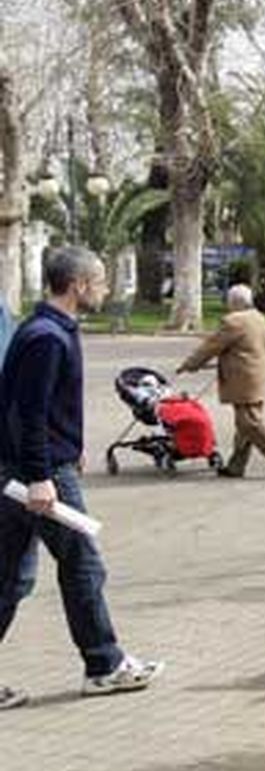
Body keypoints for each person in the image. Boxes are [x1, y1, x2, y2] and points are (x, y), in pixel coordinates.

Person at [0, 246, 165, 708]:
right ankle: (104, 665)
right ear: (78, 286)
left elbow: (40, 409)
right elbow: (26, 412)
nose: (106, 289)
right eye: (100, 282)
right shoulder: (47, 337)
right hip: (39, 475)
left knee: (10, 578)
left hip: (36, 467)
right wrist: (40, 475)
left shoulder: (44, 329)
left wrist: (71, 449)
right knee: (84, 565)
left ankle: (104, 662)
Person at [177, 284, 265, 479]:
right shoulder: (258, 317)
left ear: (234, 302)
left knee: (248, 423)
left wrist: (190, 364)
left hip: (244, 378)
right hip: (259, 374)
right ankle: (236, 466)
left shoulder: (234, 321)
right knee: (245, 425)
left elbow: (211, 346)